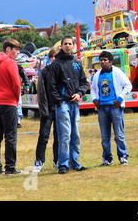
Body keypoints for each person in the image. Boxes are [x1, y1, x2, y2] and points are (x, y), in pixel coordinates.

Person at [48, 36, 89, 174]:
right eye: (65, 44)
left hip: (75, 104)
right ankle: (63, 165)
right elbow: (51, 86)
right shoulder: (56, 64)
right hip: (63, 104)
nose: (67, 46)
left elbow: (84, 82)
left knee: (75, 134)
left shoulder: (77, 63)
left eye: (70, 44)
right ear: (61, 46)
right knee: (64, 135)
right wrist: (59, 101)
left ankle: (75, 163)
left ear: (73, 46)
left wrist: (79, 94)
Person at [0, 38, 23, 175]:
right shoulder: (11, 62)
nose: (18, 53)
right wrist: (15, 98)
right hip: (9, 102)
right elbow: (16, 84)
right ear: (8, 49)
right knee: (11, 135)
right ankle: (10, 167)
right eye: (16, 50)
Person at [90, 51, 132, 166]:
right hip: (102, 108)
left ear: (110, 62)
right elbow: (93, 89)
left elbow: (128, 85)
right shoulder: (97, 75)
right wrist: (95, 100)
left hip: (115, 107)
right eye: (101, 60)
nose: (102, 62)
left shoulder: (117, 72)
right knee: (104, 136)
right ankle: (107, 158)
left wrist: (120, 99)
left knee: (118, 134)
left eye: (105, 60)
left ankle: (123, 156)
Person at [33, 47, 59, 173]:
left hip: (60, 108)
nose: (55, 59)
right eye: (53, 56)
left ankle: (57, 160)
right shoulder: (44, 72)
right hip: (48, 109)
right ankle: (39, 161)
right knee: (44, 136)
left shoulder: (62, 71)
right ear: (50, 58)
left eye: (57, 56)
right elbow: (41, 93)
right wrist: (43, 110)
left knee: (59, 137)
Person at [17, 63, 29, 128]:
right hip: (7, 88)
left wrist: (27, 85)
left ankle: (18, 121)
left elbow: (24, 76)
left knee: (19, 103)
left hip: (17, 88)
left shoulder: (17, 66)